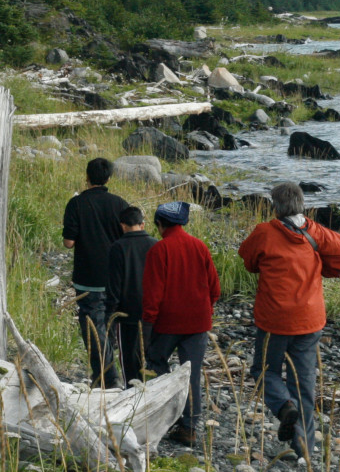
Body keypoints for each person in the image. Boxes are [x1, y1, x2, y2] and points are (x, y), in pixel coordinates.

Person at [238, 182, 340, 461]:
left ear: (275, 206)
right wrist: (322, 268)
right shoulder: (315, 232)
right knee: (303, 383)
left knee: (264, 371)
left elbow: (248, 260)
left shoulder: (264, 233)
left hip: (274, 320)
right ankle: (304, 449)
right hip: (309, 320)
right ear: (302, 204)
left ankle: (284, 408)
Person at [142, 201, 221, 446]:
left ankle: (161, 416)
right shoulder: (200, 247)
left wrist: (147, 325)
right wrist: (205, 309)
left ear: (160, 224)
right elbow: (214, 289)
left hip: (167, 323)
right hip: (198, 323)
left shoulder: (159, 250)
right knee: (191, 373)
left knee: (155, 364)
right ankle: (189, 427)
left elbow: (152, 294)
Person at [62, 157, 128, 389]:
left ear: (87, 177)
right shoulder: (120, 204)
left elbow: (69, 243)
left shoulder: (76, 204)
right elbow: (128, 239)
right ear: (108, 178)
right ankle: (106, 375)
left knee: (92, 325)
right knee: (109, 324)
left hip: (88, 277)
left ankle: (107, 378)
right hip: (115, 278)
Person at [105, 206, 158, 387]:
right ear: (142, 224)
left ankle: (131, 393)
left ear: (123, 225)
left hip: (127, 314)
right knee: (151, 356)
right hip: (153, 312)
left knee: (129, 359)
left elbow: (114, 285)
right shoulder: (155, 244)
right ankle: (152, 392)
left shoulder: (117, 247)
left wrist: (109, 315)